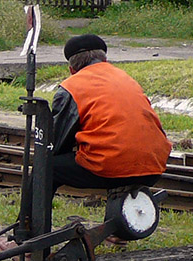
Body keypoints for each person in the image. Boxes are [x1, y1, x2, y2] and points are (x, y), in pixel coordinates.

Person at [48, 34, 171, 198]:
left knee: (46, 168)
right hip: (154, 167)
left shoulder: (72, 87)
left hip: (111, 169)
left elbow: (57, 142)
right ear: (105, 60)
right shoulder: (126, 78)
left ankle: (30, 215)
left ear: (72, 70)